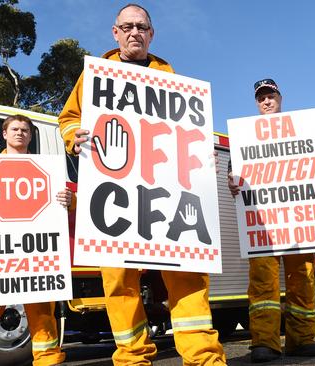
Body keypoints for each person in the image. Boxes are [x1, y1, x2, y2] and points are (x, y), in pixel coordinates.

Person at [57, 4, 226, 365]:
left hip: (168, 197)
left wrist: (204, 156)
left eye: (142, 27)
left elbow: (188, 136)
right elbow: (69, 118)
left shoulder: (173, 81)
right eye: (127, 27)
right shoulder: (94, 77)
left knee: (188, 276)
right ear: (115, 33)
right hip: (115, 196)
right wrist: (76, 136)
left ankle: (204, 358)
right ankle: (132, 358)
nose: (135, 32)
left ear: (152, 34)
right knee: (118, 280)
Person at [0, 114, 71, 366]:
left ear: (30, 136)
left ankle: (48, 361)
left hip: (34, 259)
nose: (20, 133)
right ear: (5, 134)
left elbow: (66, 206)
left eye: (25, 130)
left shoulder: (47, 170)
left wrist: (70, 201)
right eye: (15, 129)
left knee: (42, 316)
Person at [227, 79, 315, 363]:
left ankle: (302, 339)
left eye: (270, 96)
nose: (266, 101)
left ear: (280, 98)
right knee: (262, 284)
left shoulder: (304, 130)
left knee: (303, 280)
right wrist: (231, 181)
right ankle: (265, 343)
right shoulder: (245, 136)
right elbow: (233, 169)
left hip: (298, 222)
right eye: (261, 98)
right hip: (263, 225)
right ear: (256, 103)